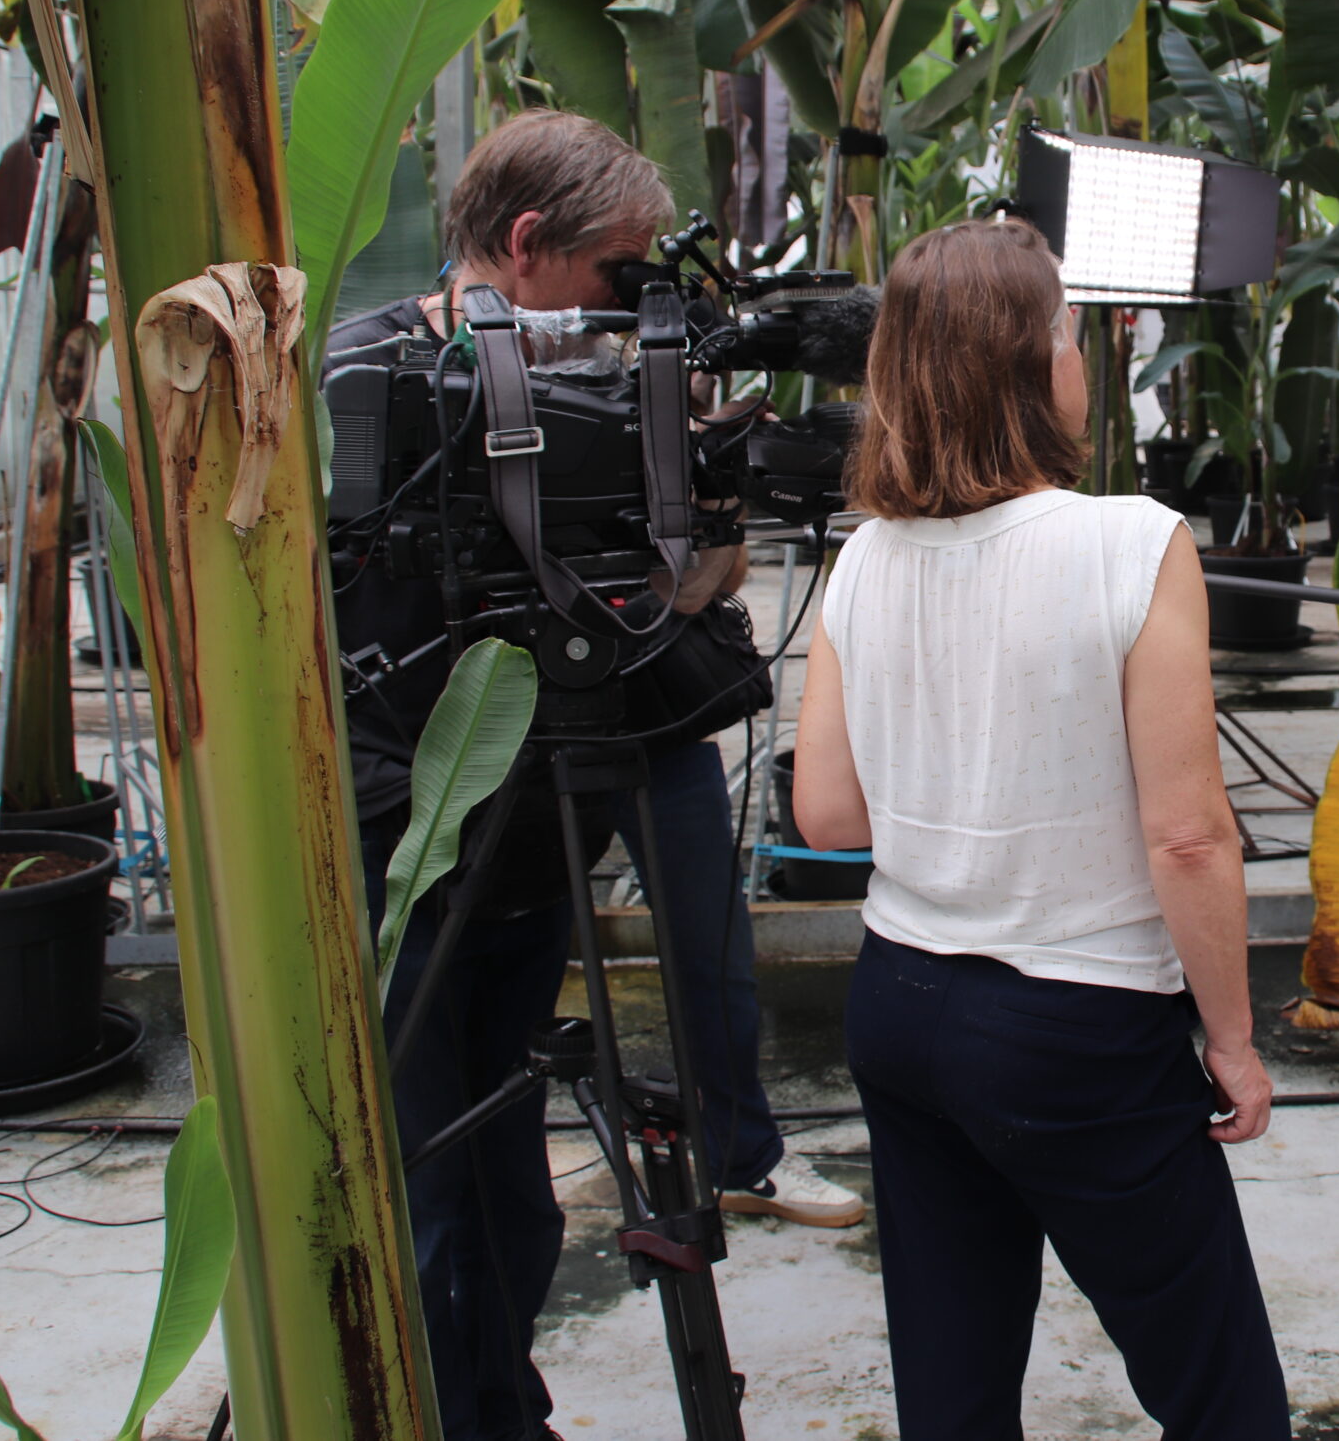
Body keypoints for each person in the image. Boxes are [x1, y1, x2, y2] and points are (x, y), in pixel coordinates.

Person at [327, 111, 860, 1441]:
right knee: (439, 1165)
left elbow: (692, 589)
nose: (639, 299)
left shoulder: (636, 374)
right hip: (413, 828)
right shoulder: (368, 376)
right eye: (622, 268)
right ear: (526, 245)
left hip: (546, 811)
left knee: (506, 1164)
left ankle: (505, 1399)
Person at [789, 217, 1288, 1441]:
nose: (1079, 354)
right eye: (1068, 329)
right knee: (1217, 1388)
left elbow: (828, 814)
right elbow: (1187, 836)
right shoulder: (1133, 541)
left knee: (952, 1385)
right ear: (1029, 360)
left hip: (902, 1004)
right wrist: (1231, 1038)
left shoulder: (863, 558)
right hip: (1080, 1026)